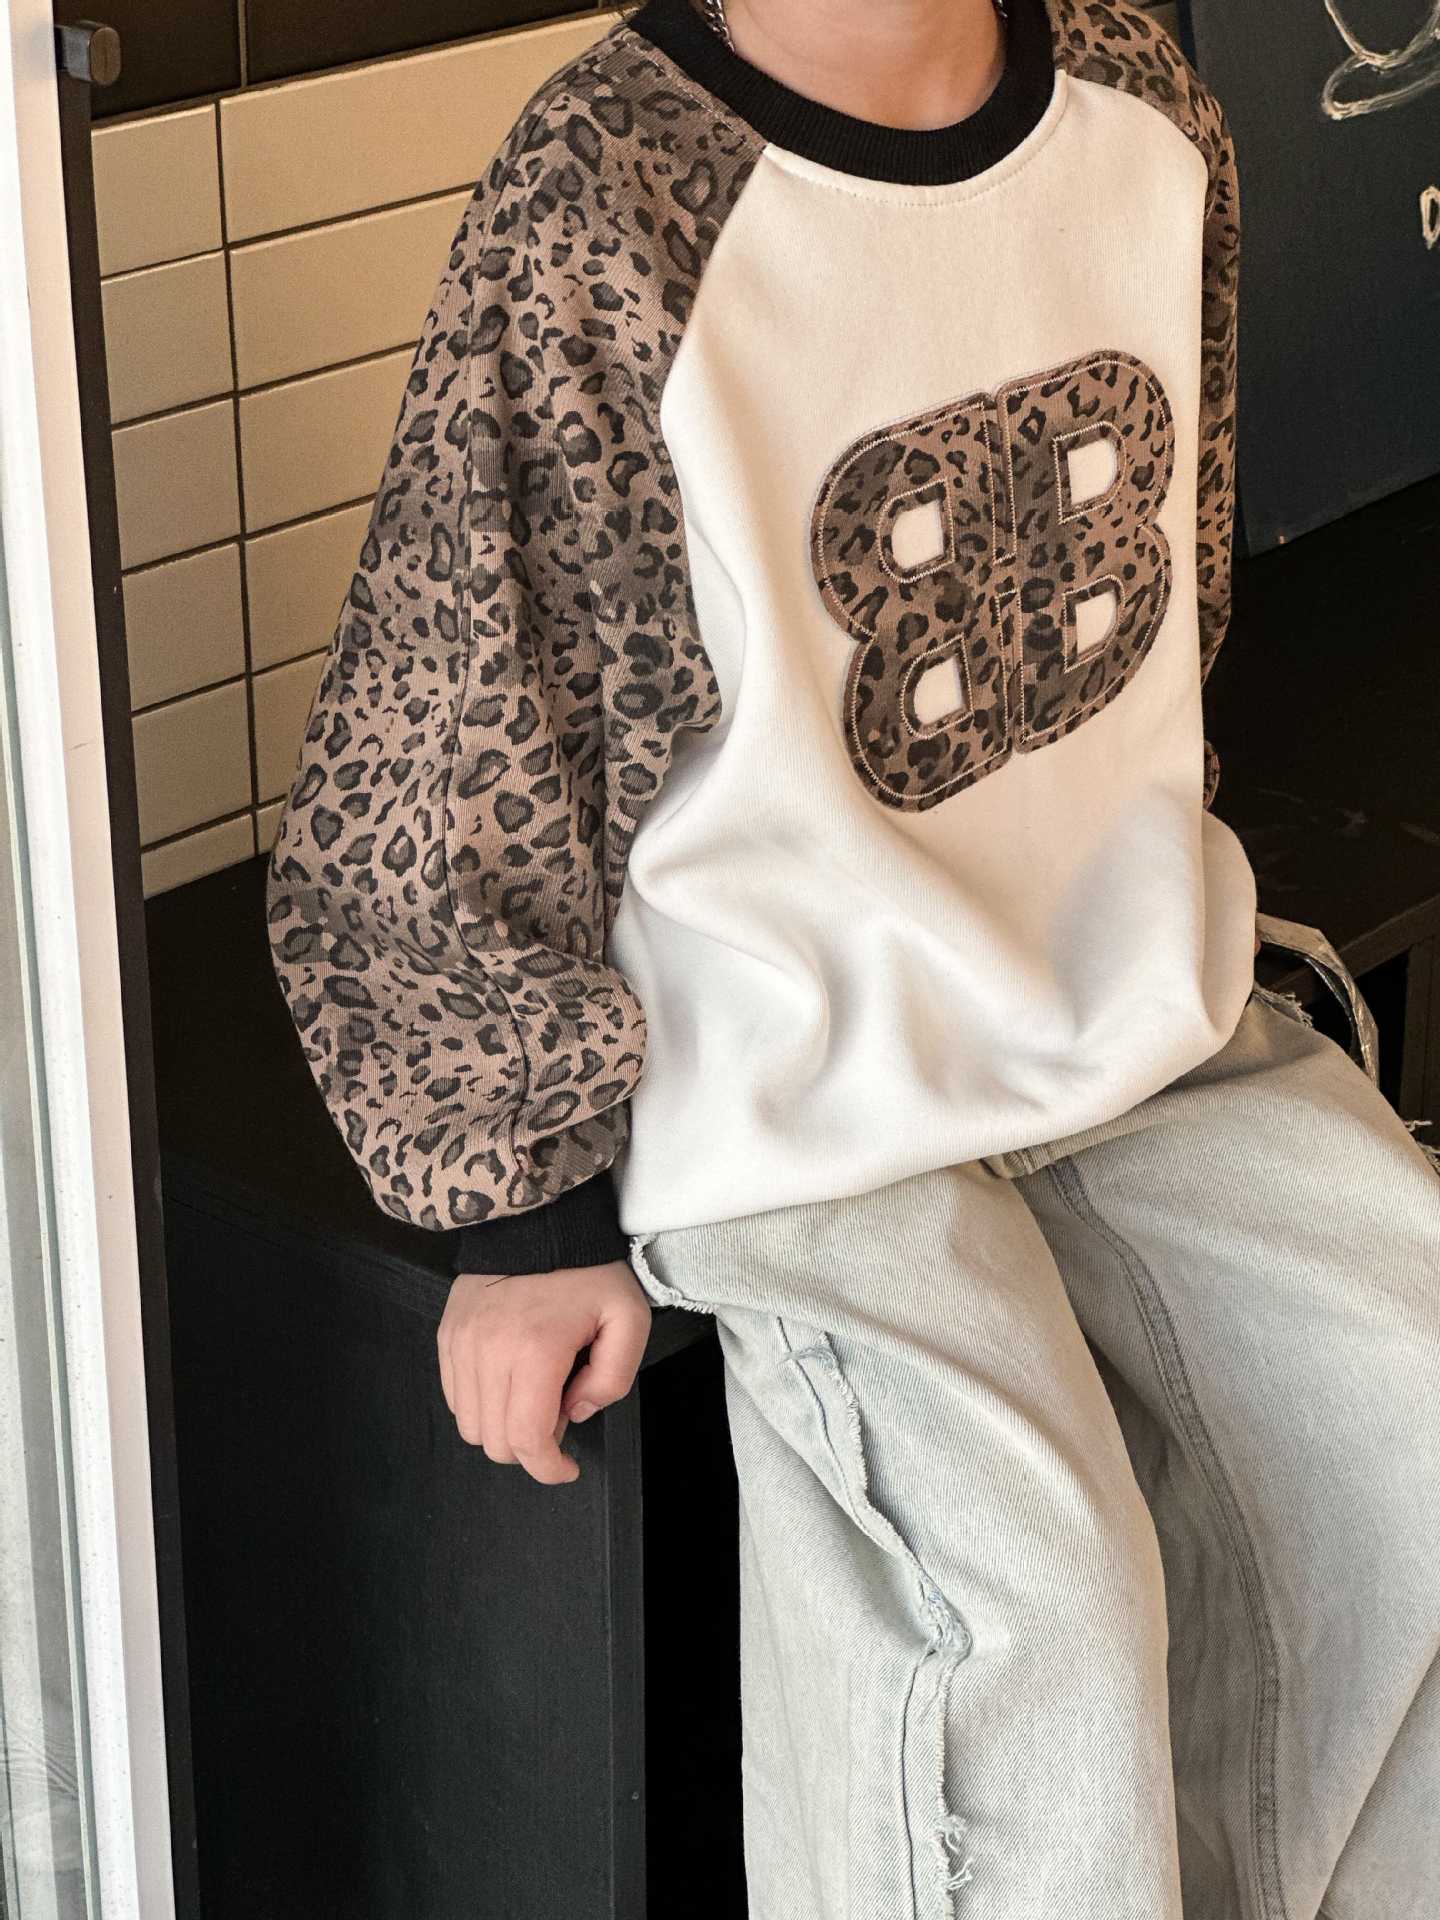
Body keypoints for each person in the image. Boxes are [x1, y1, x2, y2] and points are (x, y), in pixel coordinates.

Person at [263, 0, 1440, 1912]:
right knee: (1021, 1603)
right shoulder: (615, 188)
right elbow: (458, 705)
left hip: (1120, 1002)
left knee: (1408, 1390)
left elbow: (1178, 568)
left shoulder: (1142, 103)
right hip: (795, 1064)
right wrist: (524, 1211)